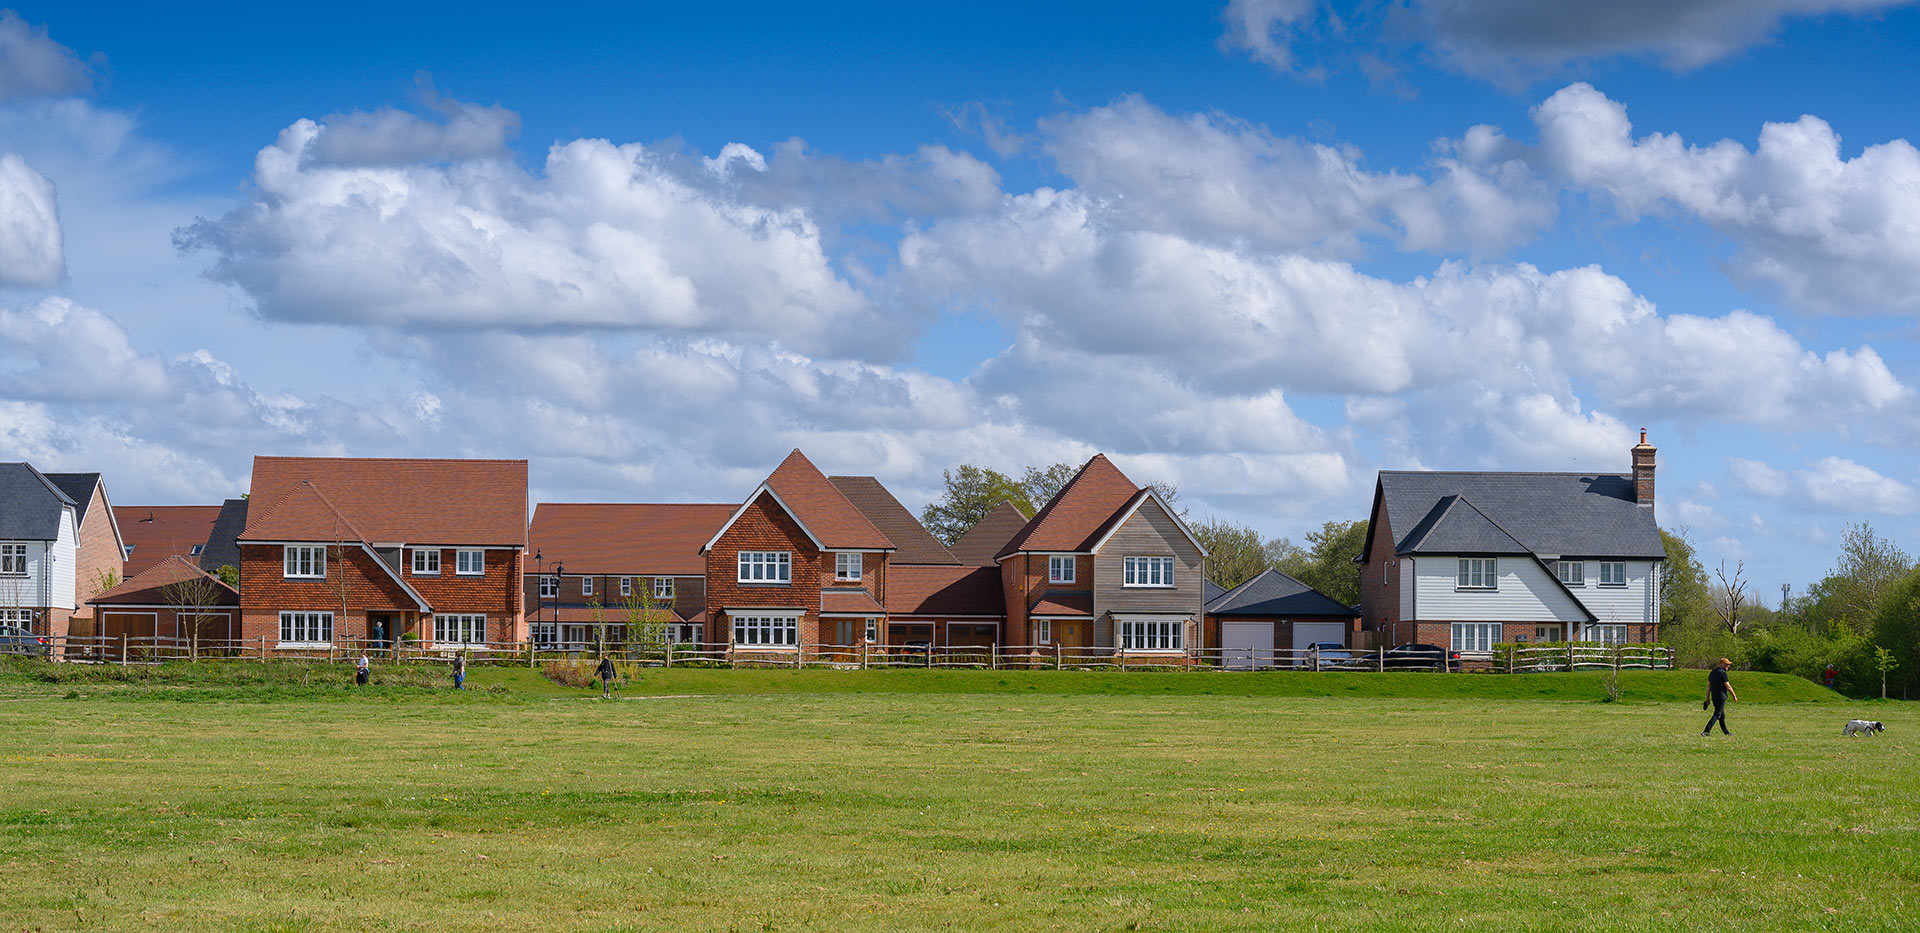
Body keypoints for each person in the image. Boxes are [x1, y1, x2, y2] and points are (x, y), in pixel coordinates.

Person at [1702, 658, 1736, 735]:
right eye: (1726, 664)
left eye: (1728, 664)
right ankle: (1706, 731)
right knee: (1717, 714)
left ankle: (1726, 732)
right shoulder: (1722, 673)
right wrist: (1734, 695)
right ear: (1721, 664)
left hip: (1714, 696)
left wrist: (1707, 698)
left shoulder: (1712, 672)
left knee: (1721, 715)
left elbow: (1709, 686)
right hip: (1721, 697)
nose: (1728, 666)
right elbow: (1728, 686)